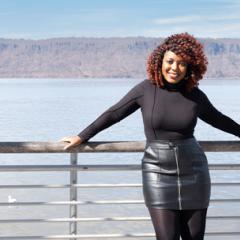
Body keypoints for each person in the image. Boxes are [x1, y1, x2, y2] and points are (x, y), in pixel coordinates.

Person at [60, 32, 240, 240]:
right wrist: (82, 136)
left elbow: (220, 119)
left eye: (182, 64)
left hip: (195, 170)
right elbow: (114, 113)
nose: (175, 68)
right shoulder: (146, 90)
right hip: (157, 171)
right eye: (170, 61)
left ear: (190, 67)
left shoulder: (195, 95)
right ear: (159, 61)